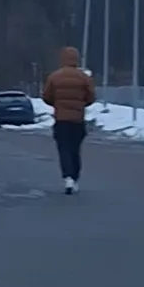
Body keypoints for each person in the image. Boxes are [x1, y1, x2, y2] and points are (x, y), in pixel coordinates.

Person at [42, 44, 96, 191]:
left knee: (63, 148)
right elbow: (91, 97)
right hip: (78, 119)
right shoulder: (84, 78)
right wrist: (81, 104)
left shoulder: (55, 77)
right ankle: (75, 177)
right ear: (76, 59)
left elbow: (46, 96)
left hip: (61, 119)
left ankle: (68, 177)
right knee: (75, 149)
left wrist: (57, 104)